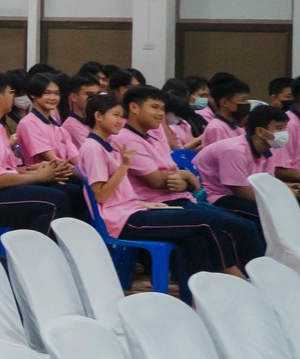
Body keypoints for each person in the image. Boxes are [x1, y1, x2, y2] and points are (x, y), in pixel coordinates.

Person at [102, 87, 263, 273]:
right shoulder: (125, 138)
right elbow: (156, 180)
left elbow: (178, 174)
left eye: (162, 108)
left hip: (177, 198)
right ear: (134, 108)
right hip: (154, 205)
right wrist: (185, 177)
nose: (160, 113)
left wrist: (185, 178)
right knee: (216, 224)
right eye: (154, 107)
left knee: (241, 226)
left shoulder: (154, 135)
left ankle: (247, 277)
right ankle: (237, 278)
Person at [0, 70, 88, 236]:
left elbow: (6, 168)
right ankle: (37, 257)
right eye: (10, 92)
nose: (13, 97)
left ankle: (33, 245)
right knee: (56, 201)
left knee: (70, 192)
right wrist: (40, 177)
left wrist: (36, 169)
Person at [194, 104, 290, 218]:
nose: (284, 133)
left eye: (285, 128)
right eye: (279, 128)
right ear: (260, 131)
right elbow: (241, 191)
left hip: (239, 194)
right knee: (272, 215)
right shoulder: (235, 150)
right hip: (216, 196)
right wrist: (280, 196)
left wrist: (285, 190)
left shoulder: (266, 152)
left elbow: (266, 183)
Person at [15, 71, 76, 163]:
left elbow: (75, 158)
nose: (53, 98)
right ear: (33, 94)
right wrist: (82, 174)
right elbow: (52, 159)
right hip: (41, 176)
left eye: (56, 93)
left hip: (64, 174)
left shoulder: (59, 128)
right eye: (47, 93)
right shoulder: (28, 123)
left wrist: (86, 172)